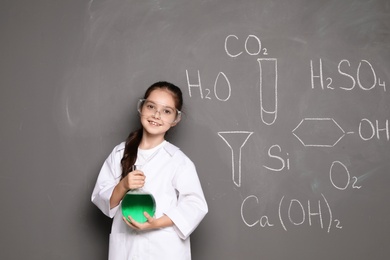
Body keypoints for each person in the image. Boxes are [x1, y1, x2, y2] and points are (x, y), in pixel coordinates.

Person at [91, 81, 208, 260]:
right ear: (141, 107)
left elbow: (195, 206)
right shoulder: (120, 153)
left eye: (166, 111)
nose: (156, 115)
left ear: (175, 119)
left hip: (164, 250)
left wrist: (155, 224)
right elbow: (102, 197)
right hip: (127, 250)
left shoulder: (177, 160)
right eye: (151, 106)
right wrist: (123, 186)